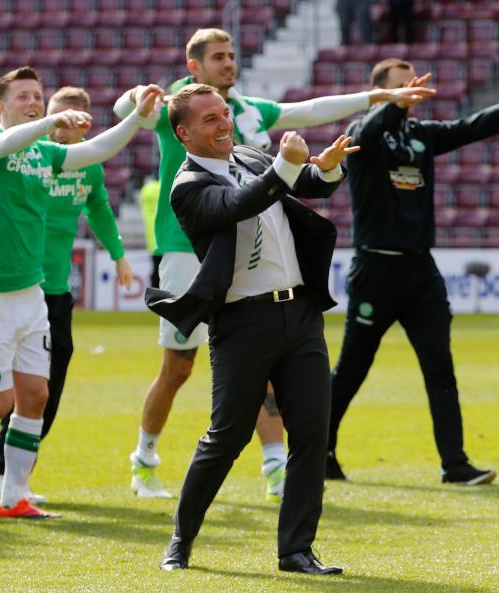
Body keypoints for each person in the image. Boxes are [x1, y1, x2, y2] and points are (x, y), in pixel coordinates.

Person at [114, 27, 435, 500]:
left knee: (266, 357)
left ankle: (273, 469)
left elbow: (309, 110)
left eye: (230, 55)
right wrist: (136, 97)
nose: (228, 63)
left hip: (254, 247)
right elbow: (126, 113)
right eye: (217, 57)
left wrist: (376, 95)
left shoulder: (243, 110)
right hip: (189, 250)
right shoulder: (179, 110)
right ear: (193, 67)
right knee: (179, 367)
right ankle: (144, 460)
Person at [0, 67, 162, 519]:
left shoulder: (45, 153)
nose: (32, 101)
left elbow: (97, 149)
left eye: (37, 95)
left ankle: (13, 496)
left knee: (35, 396)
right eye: (22, 96)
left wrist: (138, 119)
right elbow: (4, 144)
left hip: (31, 295)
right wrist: (50, 124)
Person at [146, 84, 358, 574]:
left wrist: (325, 165)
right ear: (183, 134)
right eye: (210, 120)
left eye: (225, 113)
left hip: (300, 314)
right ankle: (182, 536)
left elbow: (306, 184)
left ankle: (296, 550)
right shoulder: (187, 186)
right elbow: (237, 205)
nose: (224, 124)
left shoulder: (249, 154)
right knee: (226, 437)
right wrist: (285, 168)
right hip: (243, 322)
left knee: (311, 433)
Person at [326, 60, 499, 485]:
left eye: (414, 86)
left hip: (419, 270)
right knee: (352, 368)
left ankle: (454, 464)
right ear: (380, 93)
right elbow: (370, 130)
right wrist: (394, 104)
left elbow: (469, 127)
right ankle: (320, 450)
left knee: (440, 366)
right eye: (401, 88)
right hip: (375, 267)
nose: (413, 93)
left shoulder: (420, 136)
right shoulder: (362, 136)